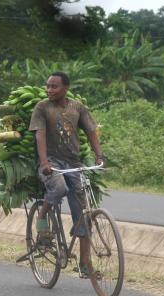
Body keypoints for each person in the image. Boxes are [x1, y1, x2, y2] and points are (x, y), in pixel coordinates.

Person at [29, 71, 104, 277]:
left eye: (54, 86)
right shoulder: (42, 107)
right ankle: (43, 216)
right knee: (59, 187)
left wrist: (99, 155)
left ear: (66, 88)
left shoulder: (77, 107)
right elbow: (40, 135)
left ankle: (84, 264)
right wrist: (44, 162)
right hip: (51, 163)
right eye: (48, 86)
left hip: (73, 163)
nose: (49, 90)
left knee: (83, 214)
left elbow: (91, 131)